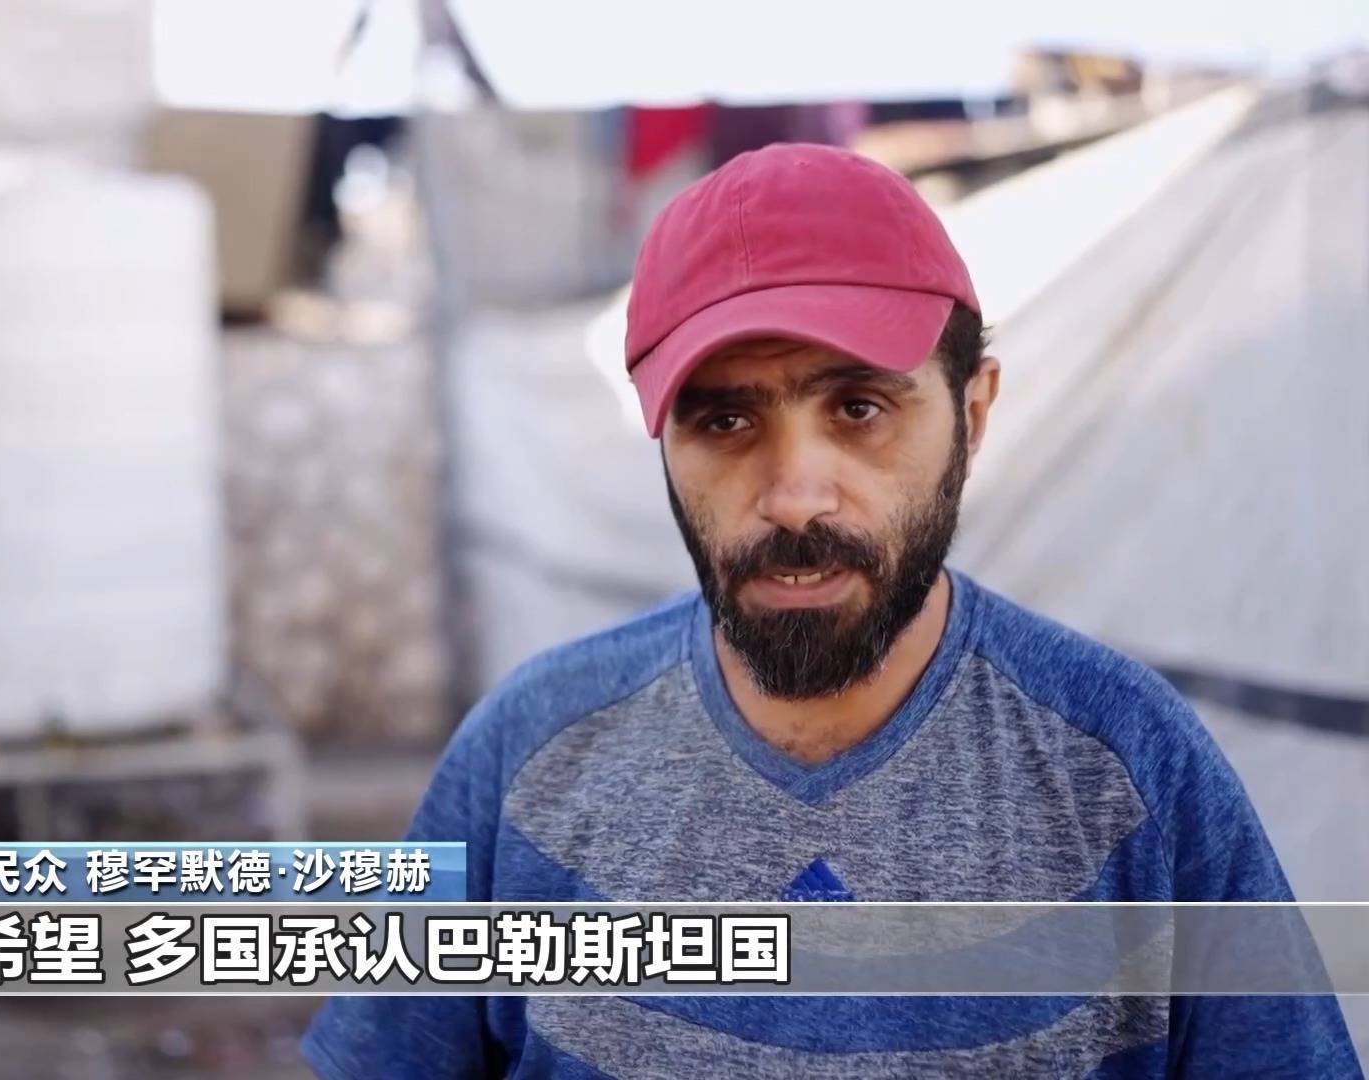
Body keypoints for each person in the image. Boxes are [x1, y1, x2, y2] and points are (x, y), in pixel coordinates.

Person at [301, 144, 1361, 1077]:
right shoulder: (527, 756)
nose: (796, 497)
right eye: (725, 420)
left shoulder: (1133, 772)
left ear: (974, 411)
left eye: (859, 408)